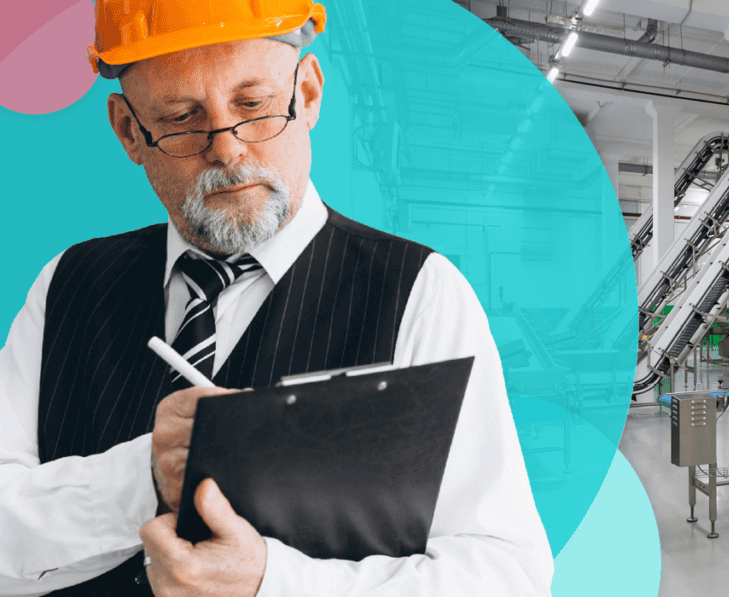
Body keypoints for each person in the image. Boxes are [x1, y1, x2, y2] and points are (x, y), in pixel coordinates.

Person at [0, 1, 554, 595]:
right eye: (183, 117)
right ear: (130, 131)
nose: (229, 150)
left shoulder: (418, 291)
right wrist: (141, 478)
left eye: (254, 105)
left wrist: (272, 582)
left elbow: (507, 574)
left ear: (308, 95)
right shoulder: (69, 283)